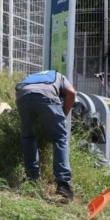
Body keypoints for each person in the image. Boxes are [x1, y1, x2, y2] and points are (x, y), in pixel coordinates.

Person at [15, 69, 77, 200]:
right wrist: (63, 115)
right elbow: (71, 92)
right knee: (60, 138)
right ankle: (63, 184)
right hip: (47, 95)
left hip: (23, 96)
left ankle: (32, 179)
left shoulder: (31, 76)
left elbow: (18, 89)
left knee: (28, 137)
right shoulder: (59, 76)